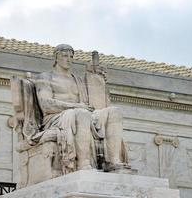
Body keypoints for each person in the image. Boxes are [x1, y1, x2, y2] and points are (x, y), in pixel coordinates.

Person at [35, 44, 128, 173]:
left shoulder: (77, 80)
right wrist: (76, 106)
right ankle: (84, 164)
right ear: (56, 57)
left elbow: (92, 102)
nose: (69, 59)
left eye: (71, 56)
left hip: (80, 112)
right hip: (56, 117)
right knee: (82, 114)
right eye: (65, 56)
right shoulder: (45, 77)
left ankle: (114, 161)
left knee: (114, 112)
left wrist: (97, 79)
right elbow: (46, 104)